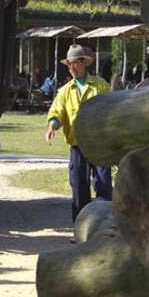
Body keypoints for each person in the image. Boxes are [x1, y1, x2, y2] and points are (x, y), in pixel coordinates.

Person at [45, 44, 113, 225]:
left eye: (75, 63)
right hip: (77, 145)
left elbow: (112, 108)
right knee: (78, 187)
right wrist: (52, 126)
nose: (72, 68)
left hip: (99, 144)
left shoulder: (100, 85)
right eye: (69, 64)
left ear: (84, 63)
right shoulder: (65, 90)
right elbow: (57, 112)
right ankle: (79, 228)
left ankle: (105, 227)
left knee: (104, 185)